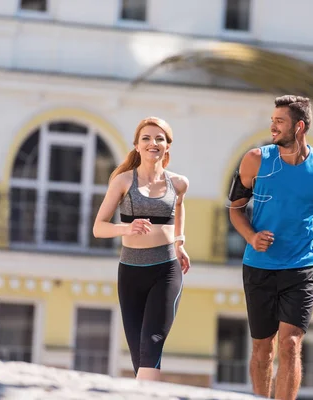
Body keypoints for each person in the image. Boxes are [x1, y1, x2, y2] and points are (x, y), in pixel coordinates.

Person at [228, 95, 313, 399]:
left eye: (280, 121)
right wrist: (251, 237)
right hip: (259, 265)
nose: (272, 126)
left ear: (299, 126)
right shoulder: (255, 160)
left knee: (290, 344)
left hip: (301, 266)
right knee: (263, 347)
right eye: (272, 120)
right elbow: (235, 208)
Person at [92, 116, 190, 381]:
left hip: (166, 271)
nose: (153, 143)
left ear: (168, 145)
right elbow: (98, 227)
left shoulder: (178, 183)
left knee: (151, 352)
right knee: (140, 359)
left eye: (160, 138)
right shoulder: (123, 181)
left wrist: (179, 243)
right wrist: (126, 228)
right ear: (136, 145)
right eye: (146, 138)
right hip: (131, 274)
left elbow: (179, 207)